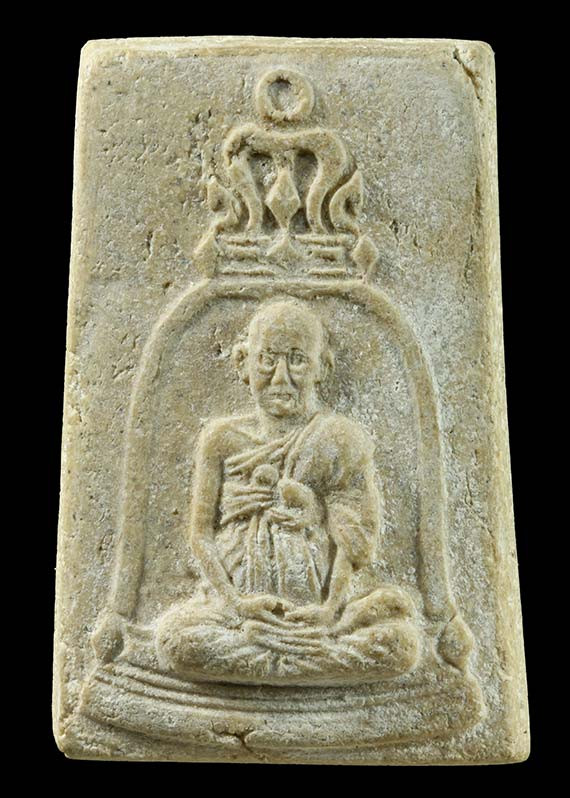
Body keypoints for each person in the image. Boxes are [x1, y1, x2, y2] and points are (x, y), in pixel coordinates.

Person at [156, 299, 418, 684]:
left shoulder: (339, 439)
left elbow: (353, 540)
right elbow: (201, 535)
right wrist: (236, 604)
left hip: (318, 618)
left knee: (402, 645)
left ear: (322, 366)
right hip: (236, 614)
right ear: (242, 363)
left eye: (296, 360)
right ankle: (311, 663)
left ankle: (276, 658)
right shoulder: (221, 439)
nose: (280, 378)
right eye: (267, 360)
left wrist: (329, 610)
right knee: (175, 641)